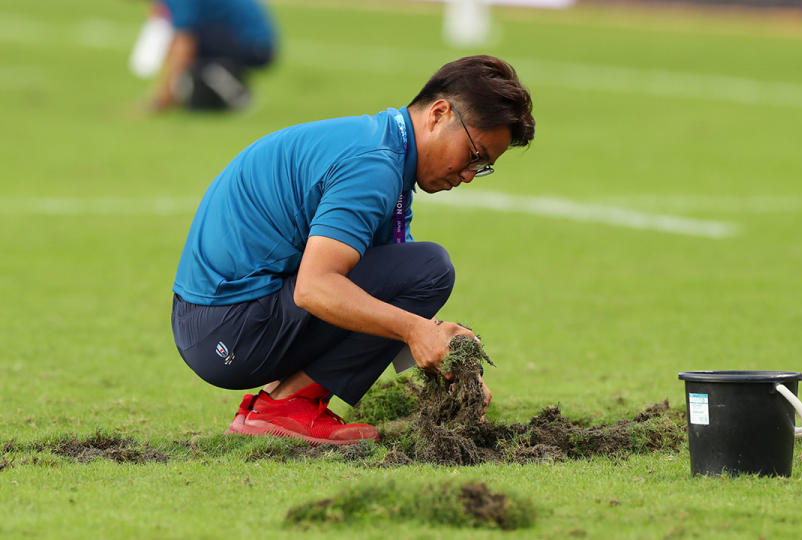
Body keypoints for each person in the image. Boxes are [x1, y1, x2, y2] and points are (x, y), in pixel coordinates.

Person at [171, 55, 535, 445]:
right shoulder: (374, 165)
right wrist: (418, 331)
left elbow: (390, 290)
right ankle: (286, 407)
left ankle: (282, 400)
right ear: (439, 113)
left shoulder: (384, 148)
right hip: (226, 333)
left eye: (482, 167)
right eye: (474, 154)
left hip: (215, 323)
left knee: (418, 271)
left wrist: (447, 356)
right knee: (430, 269)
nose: (468, 175)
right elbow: (314, 289)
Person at [148, 0, 277, 111]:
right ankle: (219, 93)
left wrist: (164, 94)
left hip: (253, 44)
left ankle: (236, 93)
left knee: (190, 43)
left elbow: (184, 42)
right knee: (198, 103)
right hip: (253, 40)